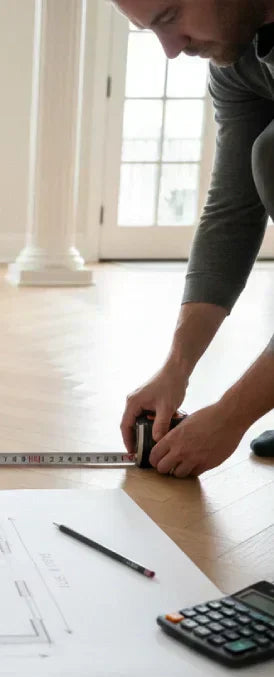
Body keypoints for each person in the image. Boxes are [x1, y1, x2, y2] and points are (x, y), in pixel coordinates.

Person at [114, 0, 274, 477]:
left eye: (169, 17)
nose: (170, 49)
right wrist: (175, 368)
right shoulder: (239, 59)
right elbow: (232, 209)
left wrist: (231, 415)